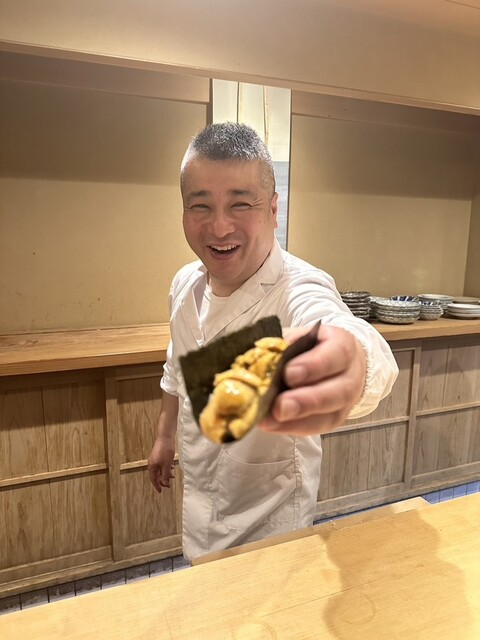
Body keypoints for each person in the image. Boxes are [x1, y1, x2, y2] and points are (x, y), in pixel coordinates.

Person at [148, 122, 398, 561]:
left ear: (273, 208)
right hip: (200, 502)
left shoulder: (296, 287)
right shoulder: (185, 284)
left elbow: (346, 335)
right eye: (200, 205)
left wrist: (354, 359)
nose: (219, 227)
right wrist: (164, 437)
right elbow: (177, 368)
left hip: (271, 524)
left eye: (241, 204)